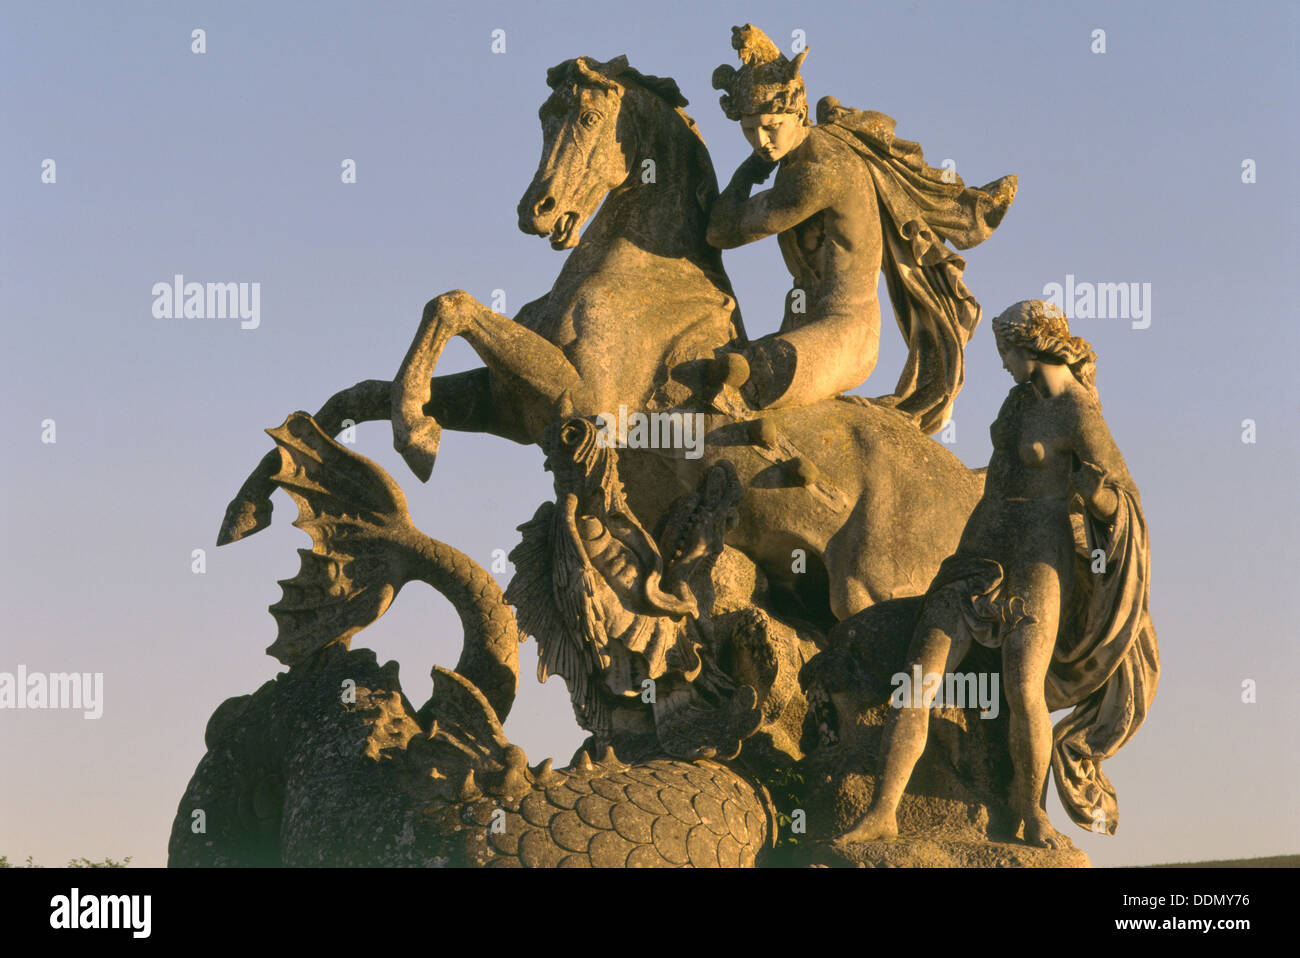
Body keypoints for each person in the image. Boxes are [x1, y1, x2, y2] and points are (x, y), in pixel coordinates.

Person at [838, 300, 1160, 847]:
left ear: (1029, 345)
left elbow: (1124, 496)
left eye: (1005, 351)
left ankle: (1030, 813)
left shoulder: (1077, 411)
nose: (1003, 363)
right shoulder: (1015, 403)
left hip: (1039, 561)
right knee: (917, 678)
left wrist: (1099, 497)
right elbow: (1003, 472)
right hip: (977, 554)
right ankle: (882, 810)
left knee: (1021, 689)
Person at [705, 24, 1017, 433]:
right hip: (800, 325)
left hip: (844, 335)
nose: (761, 141)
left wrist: (748, 171)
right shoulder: (801, 160)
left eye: (770, 126)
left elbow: (721, 232)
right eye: (749, 130)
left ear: (798, 113)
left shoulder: (821, 171)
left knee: (745, 378)